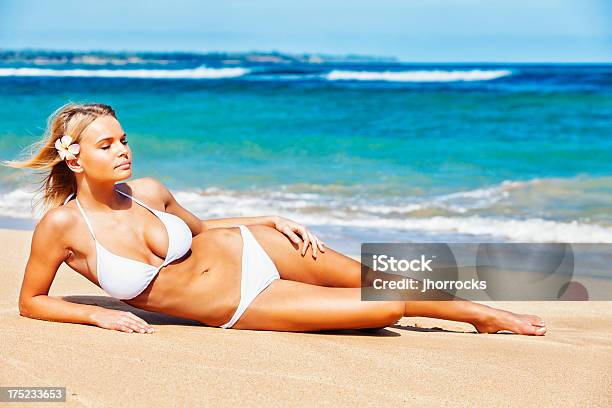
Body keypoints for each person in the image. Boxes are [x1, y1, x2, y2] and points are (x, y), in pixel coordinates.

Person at [2, 103, 547, 336]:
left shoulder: (147, 191)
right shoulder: (62, 227)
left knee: (371, 278)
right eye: (107, 144)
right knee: (382, 310)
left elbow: (200, 229)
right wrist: (96, 316)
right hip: (242, 304)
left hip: (253, 247)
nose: (123, 150)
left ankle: (480, 313)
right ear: (73, 157)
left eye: (125, 139)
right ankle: (471, 312)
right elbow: (32, 302)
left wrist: (265, 220)